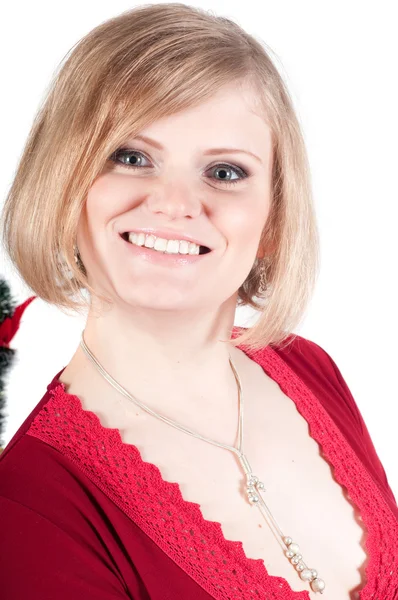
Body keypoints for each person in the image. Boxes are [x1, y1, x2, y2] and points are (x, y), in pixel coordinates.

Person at [0, 4, 397, 600]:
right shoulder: (31, 504)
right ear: (62, 188)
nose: (175, 202)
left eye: (226, 171)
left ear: (272, 219)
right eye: (131, 157)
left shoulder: (310, 368)